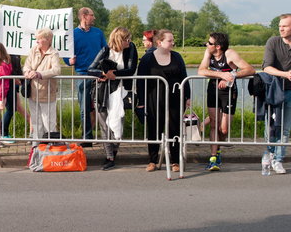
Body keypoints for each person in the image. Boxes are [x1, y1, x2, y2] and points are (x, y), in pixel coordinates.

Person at [198, 32, 255, 171]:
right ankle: (213, 158)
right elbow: (201, 70)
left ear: (218, 46)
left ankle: (218, 150)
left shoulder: (230, 54)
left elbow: (250, 69)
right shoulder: (208, 53)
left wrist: (232, 75)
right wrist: (220, 74)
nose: (207, 44)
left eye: (210, 43)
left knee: (223, 129)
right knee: (213, 124)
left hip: (228, 92)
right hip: (212, 90)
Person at [137, 29, 190, 173]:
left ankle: (175, 161)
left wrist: (188, 97)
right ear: (159, 42)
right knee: (154, 128)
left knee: (175, 129)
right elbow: (141, 82)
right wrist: (141, 101)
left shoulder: (177, 57)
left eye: (173, 40)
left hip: (175, 98)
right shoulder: (148, 58)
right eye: (170, 40)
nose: (173, 43)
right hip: (153, 98)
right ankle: (152, 161)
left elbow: (184, 78)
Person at [88, 27, 138, 170]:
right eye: (126, 39)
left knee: (118, 122)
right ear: (118, 40)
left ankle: (114, 152)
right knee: (105, 125)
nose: (129, 41)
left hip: (121, 91)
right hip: (103, 92)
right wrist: (102, 74)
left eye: (129, 39)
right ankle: (109, 156)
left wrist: (115, 74)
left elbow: (131, 69)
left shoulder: (131, 48)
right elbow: (90, 69)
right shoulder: (105, 50)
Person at [64, 7, 107, 146]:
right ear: (84, 16)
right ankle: (87, 137)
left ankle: (106, 136)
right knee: (84, 107)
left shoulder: (98, 33)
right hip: (82, 74)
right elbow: (66, 54)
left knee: (102, 106)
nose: (94, 18)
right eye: (92, 15)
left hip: (99, 75)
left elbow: (106, 51)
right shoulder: (72, 34)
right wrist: (68, 61)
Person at [262, 13, 291, 174]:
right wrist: (285, 74)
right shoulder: (273, 42)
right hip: (275, 92)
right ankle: (269, 155)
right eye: (280, 25)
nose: (281, 28)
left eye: (285, 25)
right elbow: (266, 67)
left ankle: (278, 160)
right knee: (271, 128)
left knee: (285, 129)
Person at [23, 28, 61, 144]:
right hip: (33, 92)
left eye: (39, 38)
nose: (37, 41)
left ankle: (51, 145)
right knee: (36, 121)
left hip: (47, 92)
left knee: (49, 121)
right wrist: (27, 72)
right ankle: (37, 145)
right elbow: (26, 66)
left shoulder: (53, 53)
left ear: (48, 39)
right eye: (37, 38)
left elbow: (56, 70)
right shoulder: (33, 50)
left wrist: (40, 74)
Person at [2, 54, 32, 144]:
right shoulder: (7, 53)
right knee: (11, 109)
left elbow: (18, 68)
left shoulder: (16, 54)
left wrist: (22, 81)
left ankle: (32, 132)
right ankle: (2, 134)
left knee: (16, 108)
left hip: (14, 82)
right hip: (9, 82)